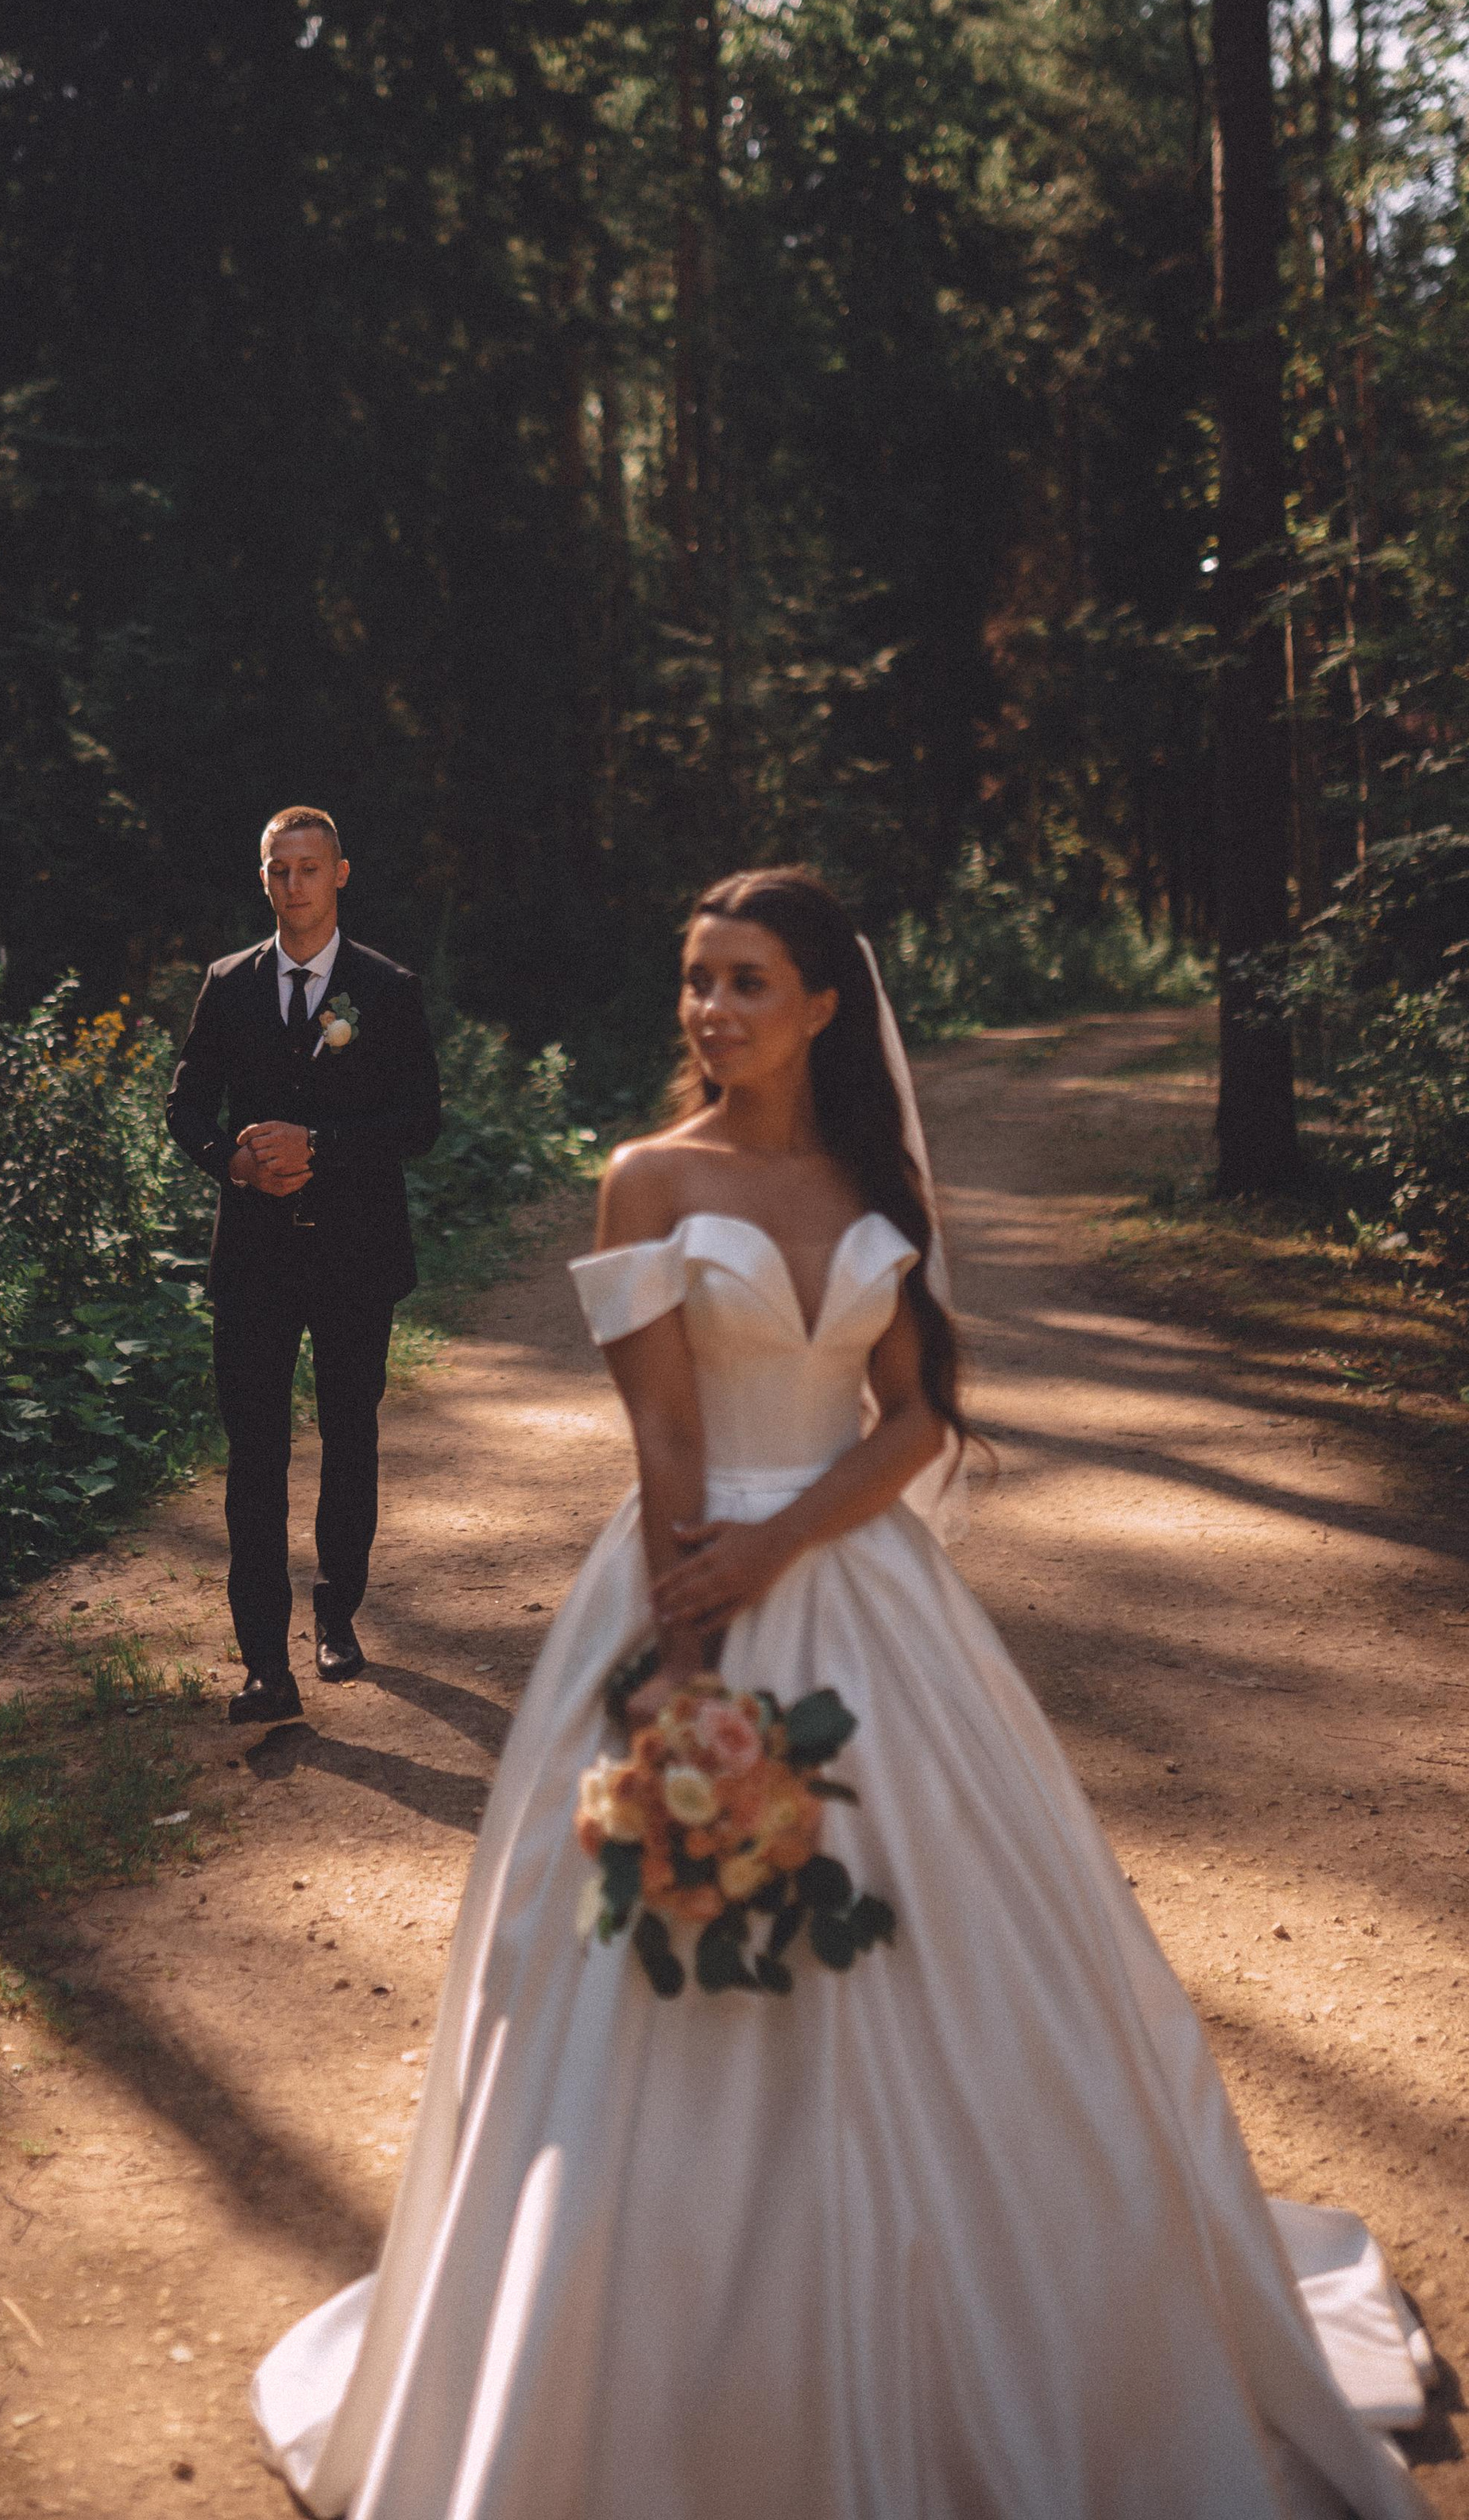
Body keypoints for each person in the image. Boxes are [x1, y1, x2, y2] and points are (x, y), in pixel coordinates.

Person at [249, 868, 1434, 2517]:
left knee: (966, 1940)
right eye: (694, 979)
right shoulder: (643, 1181)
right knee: (652, 1961)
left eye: (744, 981)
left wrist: (785, 1546)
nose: (710, 1010)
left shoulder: (869, 1179)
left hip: (869, 1601)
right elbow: (666, 1445)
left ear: (821, 1003)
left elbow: (911, 1417)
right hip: (681, 1584)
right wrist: (689, 1660)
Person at [168, 807, 442, 1725]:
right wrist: (235, 1162)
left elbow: (419, 1122)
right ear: (263, 880)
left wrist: (318, 1143)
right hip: (253, 1258)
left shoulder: (385, 990)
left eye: (308, 868)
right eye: (277, 870)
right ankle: (262, 1666)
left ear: (340, 875)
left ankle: (337, 1613)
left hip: (356, 1255)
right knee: (254, 1455)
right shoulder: (228, 985)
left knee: (348, 1437)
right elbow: (186, 1108)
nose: (293, 885)